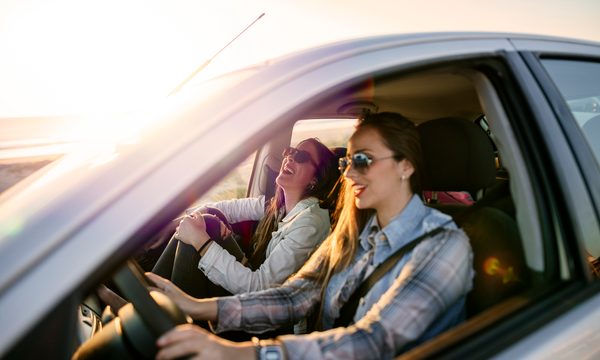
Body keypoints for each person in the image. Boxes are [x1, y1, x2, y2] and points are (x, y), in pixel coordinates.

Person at [148, 112, 474, 360]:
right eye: (348, 161)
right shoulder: (353, 234)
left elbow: (372, 341)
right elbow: (295, 297)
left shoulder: (446, 246)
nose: (347, 173)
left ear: (405, 167)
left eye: (363, 160)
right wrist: (196, 307)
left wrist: (240, 353)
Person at [151, 137, 340, 301]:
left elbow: (260, 288)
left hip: (264, 314)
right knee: (207, 221)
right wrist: (177, 224)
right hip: (251, 292)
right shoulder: (279, 207)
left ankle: (149, 302)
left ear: (315, 179)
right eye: (291, 151)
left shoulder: (311, 223)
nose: (290, 157)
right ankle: (149, 298)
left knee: (205, 226)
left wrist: (201, 241)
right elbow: (225, 208)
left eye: (301, 156)